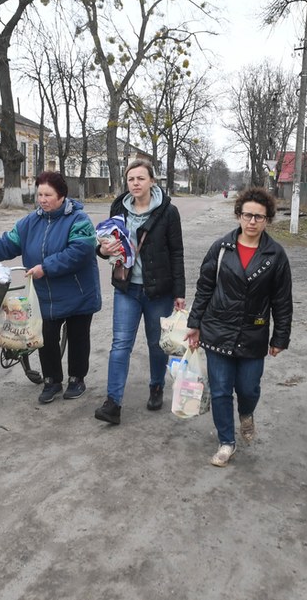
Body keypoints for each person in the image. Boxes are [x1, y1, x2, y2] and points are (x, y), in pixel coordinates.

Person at [0, 171, 101, 404]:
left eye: (48, 195)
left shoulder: (79, 220)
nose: (43, 200)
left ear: (62, 196)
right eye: (40, 194)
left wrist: (46, 267)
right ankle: (52, 380)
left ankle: (77, 379)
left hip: (78, 292)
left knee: (78, 336)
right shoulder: (30, 221)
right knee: (45, 337)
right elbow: (7, 244)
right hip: (44, 293)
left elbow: (80, 252)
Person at [185, 187, 293, 466]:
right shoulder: (221, 248)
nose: (253, 222)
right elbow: (205, 287)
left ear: (267, 219)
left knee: (248, 388)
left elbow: (282, 300)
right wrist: (194, 323)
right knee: (220, 389)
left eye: (259, 217)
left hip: (253, 333)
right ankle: (225, 442)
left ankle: (246, 414)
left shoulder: (275, 255)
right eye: (248, 215)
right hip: (218, 329)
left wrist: (280, 336)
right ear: (238, 216)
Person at [94, 159, 186, 425]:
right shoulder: (118, 207)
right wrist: (102, 251)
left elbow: (177, 253)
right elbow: (103, 243)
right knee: (120, 344)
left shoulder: (168, 212)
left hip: (159, 291)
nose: (135, 183)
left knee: (157, 345)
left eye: (140, 178)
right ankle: (113, 403)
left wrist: (179, 292)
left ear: (151, 181)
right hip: (127, 288)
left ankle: (156, 386)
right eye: (131, 179)